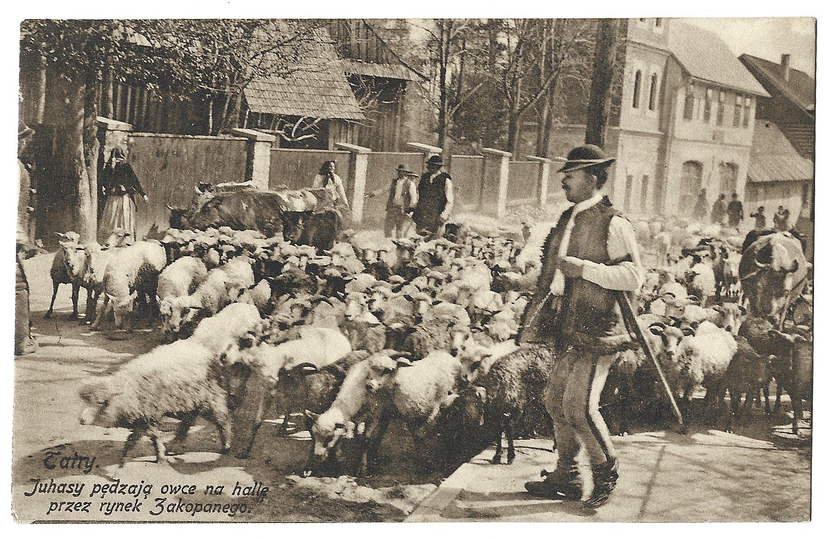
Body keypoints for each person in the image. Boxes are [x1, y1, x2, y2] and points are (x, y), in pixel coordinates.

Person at [520, 144, 642, 509]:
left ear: (592, 178)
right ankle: (567, 475)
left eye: (569, 176)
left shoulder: (613, 221)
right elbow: (554, 273)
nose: (563, 182)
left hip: (599, 328)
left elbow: (634, 276)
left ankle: (605, 473)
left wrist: (585, 269)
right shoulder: (567, 218)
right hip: (567, 324)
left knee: (580, 406)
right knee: (554, 400)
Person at [16, 122, 38, 355]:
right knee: (18, 288)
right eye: (23, 139)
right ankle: (20, 341)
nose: (25, 144)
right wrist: (22, 238)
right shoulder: (16, 168)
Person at [99, 147, 147, 243]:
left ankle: (125, 240)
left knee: (121, 218)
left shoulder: (125, 166)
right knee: (113, 218)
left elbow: (134, 181)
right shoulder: (109, 167)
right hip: (114, 198)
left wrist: (143, 194)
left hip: (122, 198)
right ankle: (110, 240)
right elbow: (104, 181)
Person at [411, 155, 454, 237]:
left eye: (434, 166)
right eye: (430, 165)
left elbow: (449, 200)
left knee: (432, 239)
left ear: (438, 167)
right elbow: (419, 195)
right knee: (419, 238)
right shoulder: (424, 178)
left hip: (437, 215)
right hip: (422, 215)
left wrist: (444, 215)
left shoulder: (445, 179)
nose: (430, 168)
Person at [312, 160, 351, 228]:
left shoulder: (336, 178)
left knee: (336, 216)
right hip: (321, 200)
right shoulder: (319, 176)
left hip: (332, 201)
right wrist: (323, 191)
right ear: (326, 167)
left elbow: (341, 192)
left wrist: (345, 203)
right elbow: (314, 188)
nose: (332, 168)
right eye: (330, 166)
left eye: (333, 167)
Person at [383, 164, 418, 239]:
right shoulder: (394, 182)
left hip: (402, 209)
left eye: (401, 171)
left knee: (400, 229)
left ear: (405, 173)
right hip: (392, 208)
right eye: (398, 171)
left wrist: (410, 211)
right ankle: (388, 242)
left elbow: (413, 198)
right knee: (388, 227)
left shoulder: (410, 184)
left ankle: (399, 243)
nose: (399, 173)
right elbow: (384, 189)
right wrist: (373, 194)